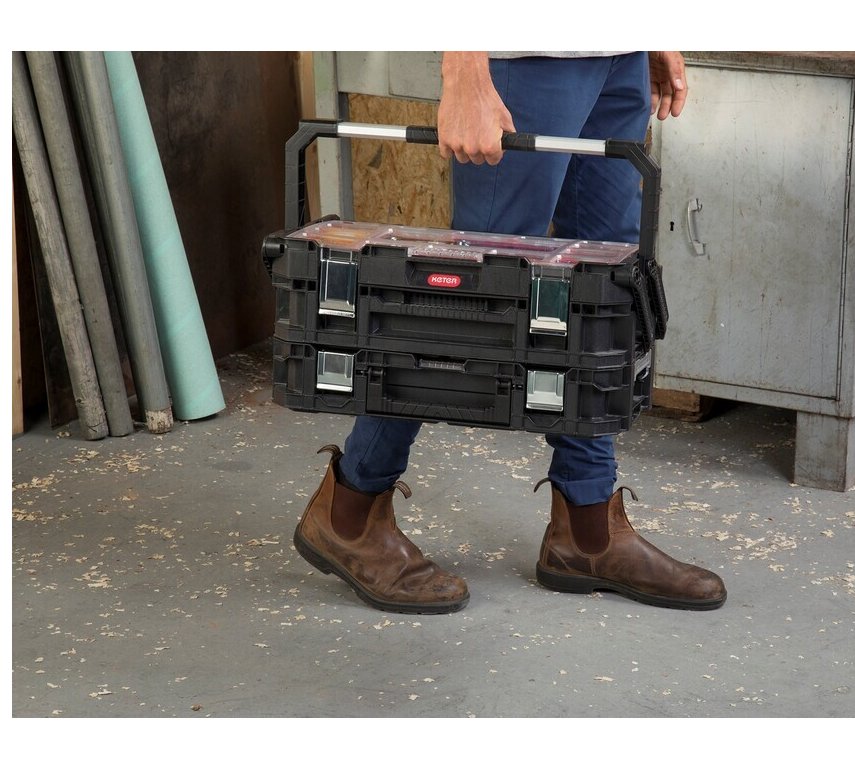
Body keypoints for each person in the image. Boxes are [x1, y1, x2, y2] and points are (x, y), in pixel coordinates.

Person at [292, 51, 727, 614]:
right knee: (475, 288)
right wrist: (464, 68)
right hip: (527, 54)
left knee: (600, 282)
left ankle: (586, 532)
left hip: (614, 51)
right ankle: (350, 508)